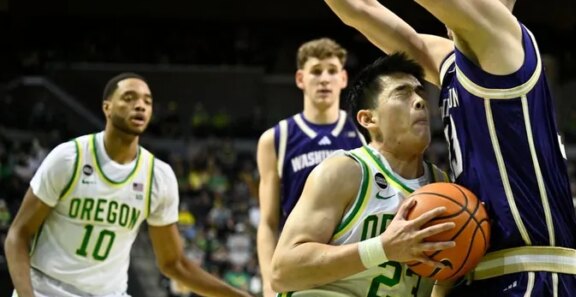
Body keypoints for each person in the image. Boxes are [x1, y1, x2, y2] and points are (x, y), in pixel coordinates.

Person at [325, 0, 576, 296]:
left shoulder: (502, 40)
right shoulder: (451, 62)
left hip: (531, 272)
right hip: (477, 271)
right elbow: (362, 10)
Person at [4, 73, 250, 297]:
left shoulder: (158, 176)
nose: (140, 105)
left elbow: (173, 263)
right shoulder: (69, 158)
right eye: (129, 98)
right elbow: (17, 235)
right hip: (47, 289)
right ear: (107, 108)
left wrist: (237, 296)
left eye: (147, 101)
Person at [270, 53, 454, 296]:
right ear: (368, 119)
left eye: (420, 93)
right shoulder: (345, 171)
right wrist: (382, 248)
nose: (420, 101)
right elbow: (283, 272)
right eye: (402, 94)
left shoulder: (445, 188)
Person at [256, 37, 366, 297]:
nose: (324, 79)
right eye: (316, 71)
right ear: (300, 78)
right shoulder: (276, 139)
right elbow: (268, 222)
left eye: (332, 71)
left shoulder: (364, 133)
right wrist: (268, 283)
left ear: (343, 78)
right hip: (300, 267)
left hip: (351, 265)